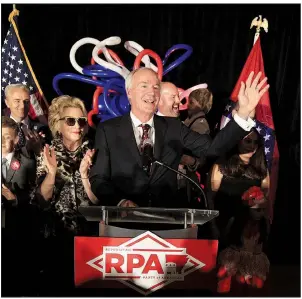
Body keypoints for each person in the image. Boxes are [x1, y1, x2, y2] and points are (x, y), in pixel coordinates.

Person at [90, 67, 269, 208]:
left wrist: (243, 113)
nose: (151, 92)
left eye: (155, 87)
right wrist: (120, 202)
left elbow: (213, 147)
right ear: (129, 92)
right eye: (144, 86)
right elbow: (98, 179)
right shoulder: (108, 130)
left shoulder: (174, 127)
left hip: (166, 225)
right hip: (121, 227)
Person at [30, 95, 98, 295]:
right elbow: (41, 201)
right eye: (70, 120)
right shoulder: (47, 152)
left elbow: (100, 201)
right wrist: (51, 174)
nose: (77, 126)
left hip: (90, 240)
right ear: (57, 125)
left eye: (81, 121)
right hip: (57, 238)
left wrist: (85, 176)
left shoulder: (95, 152)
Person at [209, 129, 270, 293]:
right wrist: (214, 227)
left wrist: (258, 203)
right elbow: (211, 199)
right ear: (236, 141)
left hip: (251, 234)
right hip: (225, 229)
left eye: (255, 142)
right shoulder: (221, 167)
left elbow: (265, 200)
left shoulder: (261, 169)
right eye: (247, 141)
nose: (252, 146)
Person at [1, 117, 37, 296]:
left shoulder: (26, 162)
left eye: (6, 136)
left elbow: (33, 193)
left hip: (16, 227)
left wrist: (14, 198)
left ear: (16, 140)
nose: (1, 141)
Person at [4, 84, 51, 157]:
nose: (22, 106)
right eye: (17, 101)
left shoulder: (43, 129)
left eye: (26, 101)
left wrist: (39, 151)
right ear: (7, 103)